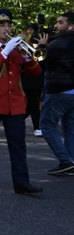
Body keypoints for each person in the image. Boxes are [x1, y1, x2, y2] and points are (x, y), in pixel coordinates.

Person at [0, 9, 43, 194]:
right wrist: (6, 51)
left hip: (15, 103)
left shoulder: (18, 48)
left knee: (18, 144)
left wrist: (29, 59)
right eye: (2, 26)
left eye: (9, 25)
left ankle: (21, 182)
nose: (7, 28)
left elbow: (35, 73)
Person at [38, 11, 74, 175]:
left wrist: (42, 45)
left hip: (60, 90)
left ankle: (66, 161)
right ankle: (70, 162)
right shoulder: (60, 41)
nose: (57, 26)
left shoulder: (58, 43)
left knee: (46, 125)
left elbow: (39, 59)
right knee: (70, 128)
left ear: (71, 26)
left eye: (61, 22)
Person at [21, 25, 44, 137]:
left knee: (33, 104)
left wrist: (39, 46)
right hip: (26, 81)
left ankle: (18, 120)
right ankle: (37, 127)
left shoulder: (38, 46)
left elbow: (42, 61)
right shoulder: (23, 46)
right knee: (33, 104)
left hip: (38, 80)